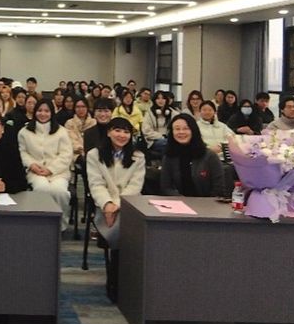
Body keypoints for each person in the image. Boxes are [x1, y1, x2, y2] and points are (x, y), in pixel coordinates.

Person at [85, 117, 146, 303]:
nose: (122, 135)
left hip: (128, 205)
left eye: (126, 132)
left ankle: (119, 279)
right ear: (109, 132)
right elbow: (96, 184)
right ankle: (116, 281)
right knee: (121, 231)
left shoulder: (138, 157)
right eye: (117, 130)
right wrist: (107, 205)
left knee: (125, 228)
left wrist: (117, 205)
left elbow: (135, 187)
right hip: (102, 206)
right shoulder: (94, 155)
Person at [19, 100, 74, 233]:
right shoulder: (24, 132)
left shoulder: (61, 131)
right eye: (40, 110)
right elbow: (23, 152)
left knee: (60, 192)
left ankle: (60, 226)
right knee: (42, 189)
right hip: (35, 171)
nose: (43, 114)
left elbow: (66, 154)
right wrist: (32, 165)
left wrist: (51, 169)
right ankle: (41, 225)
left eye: (46, 111)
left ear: (52, 113)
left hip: (58, 172)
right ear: (35, 112)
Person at [160, 114, 226, 197]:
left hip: (207, 203)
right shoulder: (169, 156)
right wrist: (183, 201)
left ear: (193, 130)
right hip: (179, 202)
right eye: (177, 129)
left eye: (186, 128)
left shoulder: (210, 156)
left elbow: (219, 189)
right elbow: (166, 188)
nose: (181, 132)